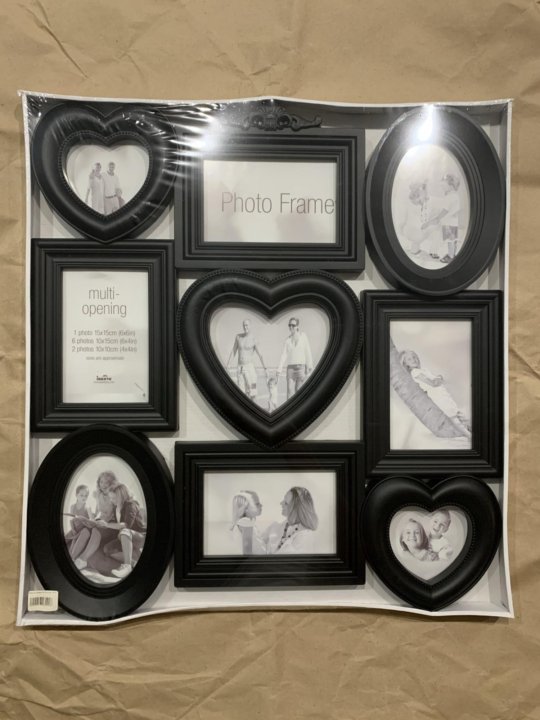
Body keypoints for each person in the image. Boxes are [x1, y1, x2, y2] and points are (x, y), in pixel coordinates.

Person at [399, 350, 471, 439]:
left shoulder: (423, 370)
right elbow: (433, 383)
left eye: (414, 357)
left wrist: (438, 379)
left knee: (459, 414)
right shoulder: (415, 372)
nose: (413, 360)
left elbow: (435, 381)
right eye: (409, 359)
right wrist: (439, 377)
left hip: (443, 395)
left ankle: (469, 430)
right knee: (454, 417)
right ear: (406, 364)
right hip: (438, 397)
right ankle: (468, 435)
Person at [69, 471, 118, 570]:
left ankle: (82, 560)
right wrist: (91, 520)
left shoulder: (114, 496)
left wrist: (103, 523)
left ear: (111, 483)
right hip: (99, 522)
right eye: (101, 482)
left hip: (110, 525)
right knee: (85, 531)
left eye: (106, 482)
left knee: (95, 530)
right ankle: (71, 558)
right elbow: (98, 512)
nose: (103, 485)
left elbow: (116, 516)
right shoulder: (98, 495)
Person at [100, 483, 147, 579]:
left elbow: (126, 525)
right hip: (125, 537)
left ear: (121, 496)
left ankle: (127, 566)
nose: (111, 500)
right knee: (107, 549)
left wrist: (107, 525)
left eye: (114, 498)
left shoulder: (131, 505)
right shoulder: (116, 507)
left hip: (140, 537)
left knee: (125, 531)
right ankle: (134, 563)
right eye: (110, 498)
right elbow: (117, 523)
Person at [420, 173, 461, 264]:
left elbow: (444, 211)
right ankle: (452, 254)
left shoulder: (450, 197)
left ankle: (451, 256)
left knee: (450, 240)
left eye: (444, 186)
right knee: (452, 239)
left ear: (451, 186)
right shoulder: (455, 196)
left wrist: (436, 219)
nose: (442, 188)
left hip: (448, 222)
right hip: (453, 221)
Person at [264, 487, 318, 554]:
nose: (281, 503)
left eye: (286, 503)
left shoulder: (305, 536)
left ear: (296, 509)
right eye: (283, 500)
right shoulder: (278, 526)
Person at [226, 318, 268, 400]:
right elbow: (233, 351)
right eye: (244, 325)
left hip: (250, 368)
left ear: (250, 326)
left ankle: (253, 406)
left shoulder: (254, 339)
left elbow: (261, 355)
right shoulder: (238, 337)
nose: (245, 327)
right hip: (240, 368)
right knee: (241, 393)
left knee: (253, 391)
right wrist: (228, 365)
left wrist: (265, 368)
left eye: (247, 325)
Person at [277, 317, 313, 399]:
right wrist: (279, 369)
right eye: (289, 325)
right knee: (289, 390)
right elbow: (284, 355)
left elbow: (307, 351)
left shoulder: (303, 336)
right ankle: (288, 407)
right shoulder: (288, 340)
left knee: (298, 391)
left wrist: (309, 366)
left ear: (297, 326)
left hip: (301, 368)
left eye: (293, 325)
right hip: (290, 369)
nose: (291, 327)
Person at [64, 484, 95, 560]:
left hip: (84, 529)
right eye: (81, 495)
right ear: (76, 495)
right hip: (75, 528)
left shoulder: (87, 507)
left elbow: (92, 520)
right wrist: (73, 530)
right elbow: (71, 520)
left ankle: (72, 557)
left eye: (86, 496)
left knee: (74, 544)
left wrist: (87, 520)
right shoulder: (72, 506)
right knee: (65, 539)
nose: (84, 497)